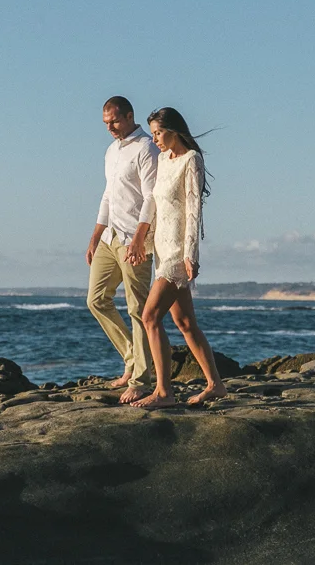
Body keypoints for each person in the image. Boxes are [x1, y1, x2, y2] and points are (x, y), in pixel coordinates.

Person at [132, 107, 227, 408]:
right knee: (185, 322)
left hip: (177, 253)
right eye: (153, 133)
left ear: (174, 130)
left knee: (149, 317)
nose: (155, 139)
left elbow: (193, 210)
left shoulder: (191, 160)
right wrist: (140, 240)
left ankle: (163, 392)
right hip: (161, 249)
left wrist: (191, 255)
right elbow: (154, 205)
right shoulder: (163, 160)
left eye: (159, 133)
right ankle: (215, 385)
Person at [86, 96, 168, 404]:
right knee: (96, 300)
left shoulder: (146, 148)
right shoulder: (110, 151)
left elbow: (151, 198)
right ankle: (132, 359)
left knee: (138, 309)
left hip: (136, 238)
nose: (110, 128)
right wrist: (95, 235)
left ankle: (140, 379)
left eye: (115, 121)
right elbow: (108, 195)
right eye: (106, 123)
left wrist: (139, 239)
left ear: (129, 116)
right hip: (110, 237)